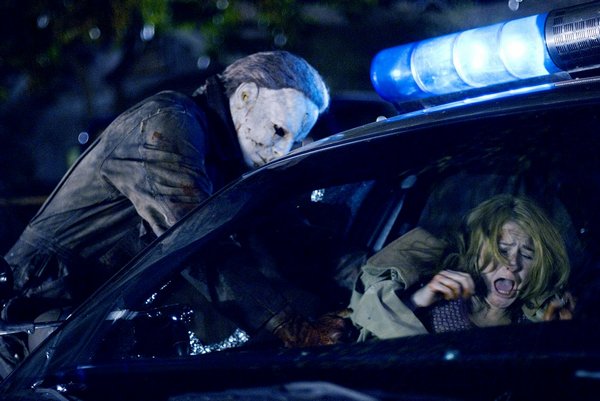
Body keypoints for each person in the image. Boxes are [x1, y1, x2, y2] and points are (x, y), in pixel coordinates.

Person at [2, 50, 329, 323]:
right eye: (278, 131)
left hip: (76, 315)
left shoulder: (225, 155)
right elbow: (194, 239)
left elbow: (280, 237)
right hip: (35, 309)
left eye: (293, 142)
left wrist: (349, 280)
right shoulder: (168, 124)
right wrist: (288, 325)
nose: (281, 152)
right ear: (245, 96)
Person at [349, 194, 573, 341]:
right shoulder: (434, 300)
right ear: (475, 251)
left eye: (527, 255)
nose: (513, 264)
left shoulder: (536, 325)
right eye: (502, 250)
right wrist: (414, 302)